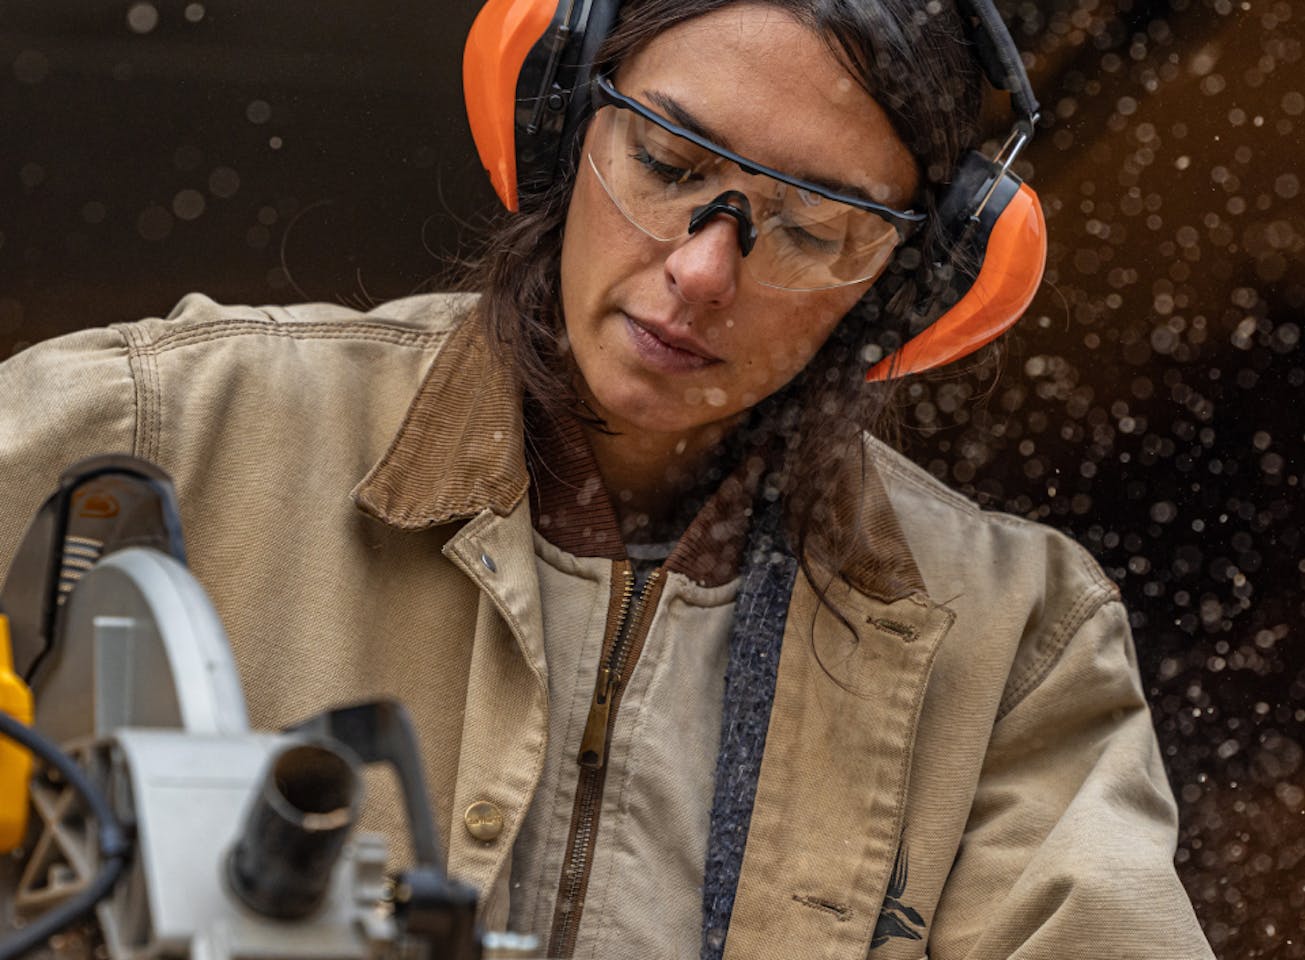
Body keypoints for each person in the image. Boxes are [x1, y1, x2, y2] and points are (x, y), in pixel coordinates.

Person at [0, 0, 1213, 958]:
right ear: (561, 113)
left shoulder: (1012, 647)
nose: (700, 272)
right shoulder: (169, 425)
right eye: (670, 161)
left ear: (905, 287)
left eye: (812, 228)